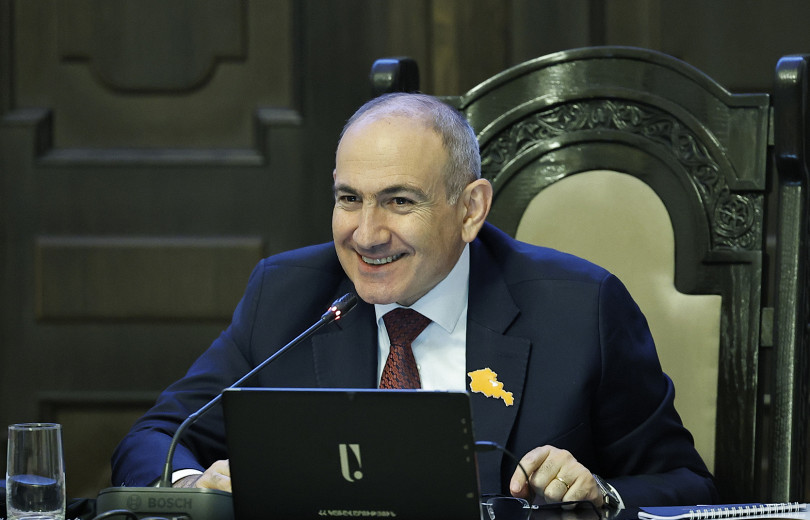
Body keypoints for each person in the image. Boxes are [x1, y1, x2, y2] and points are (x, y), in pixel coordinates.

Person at [111, 92, 718, 509]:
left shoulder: (581, 310)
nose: (366, 234)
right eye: (349, 199)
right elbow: (157, 437)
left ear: (470, 209)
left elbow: (686, 484)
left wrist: (600, 493)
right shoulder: (287, 295)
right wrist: (191, 486)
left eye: (399, 202)